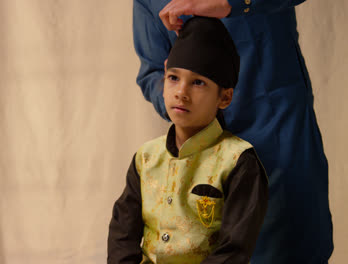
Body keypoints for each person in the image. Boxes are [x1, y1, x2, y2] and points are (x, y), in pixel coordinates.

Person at [133, 0, 333, 263]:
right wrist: (184, 97)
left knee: (292, 249)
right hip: (202, 160)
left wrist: (230, 3)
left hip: (280, 138)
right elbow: (153, 71)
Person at [108, 17, 268, 264]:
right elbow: (122, 234)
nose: (181, 92)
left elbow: (234, 251)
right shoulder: (146, 158)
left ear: (224, 97)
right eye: (173, 78)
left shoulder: (238, 162)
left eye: (198, 82)